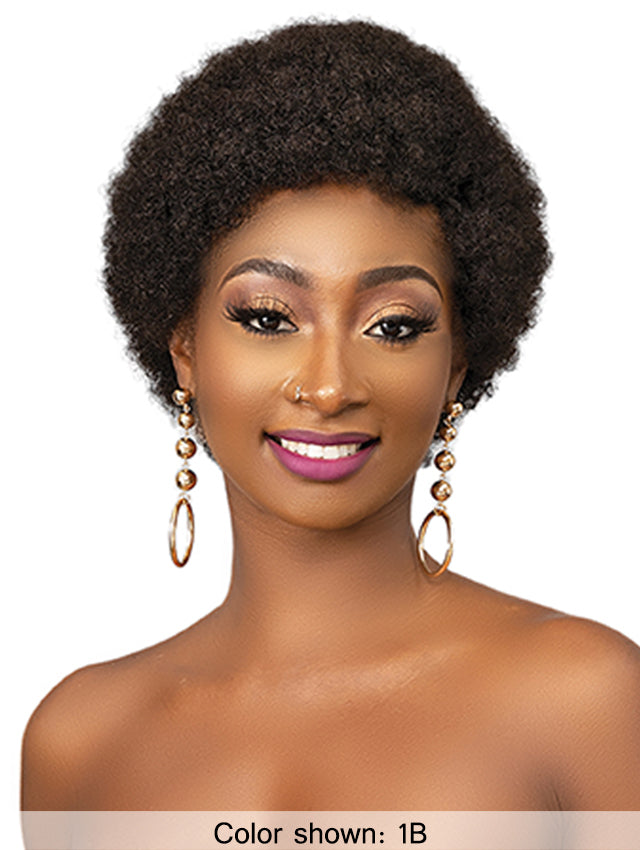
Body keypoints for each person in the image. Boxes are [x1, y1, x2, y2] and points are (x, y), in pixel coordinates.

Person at [21, 19, 640, 814]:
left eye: (394, 326)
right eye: (268, 317)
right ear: (185, 349)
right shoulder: (79, 742)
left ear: (455, 365)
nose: (329, 387)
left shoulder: (586, 700)